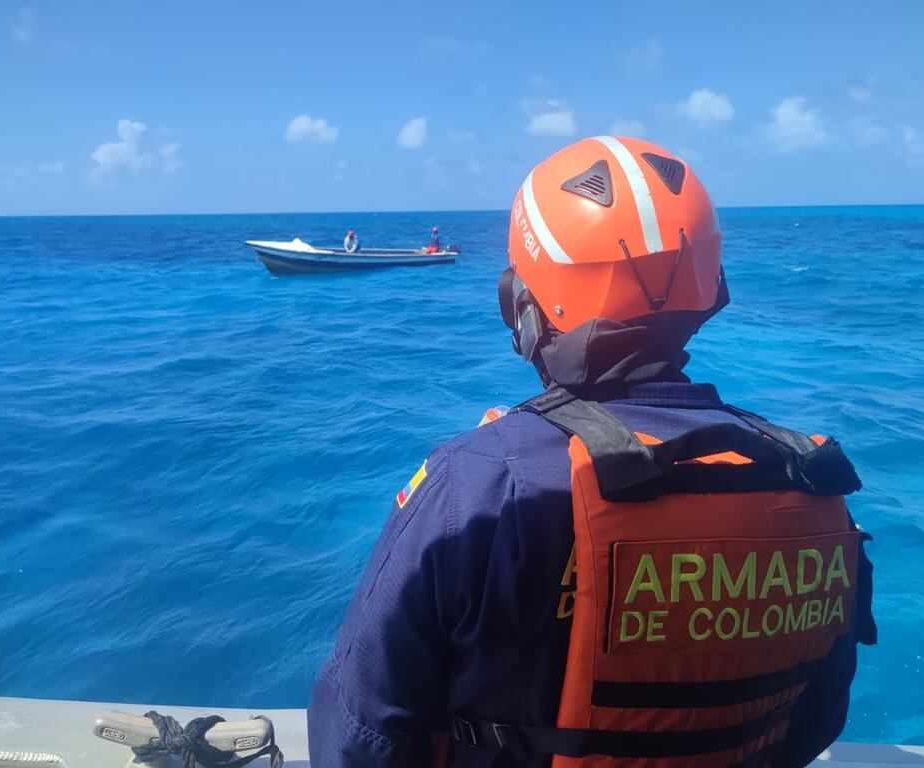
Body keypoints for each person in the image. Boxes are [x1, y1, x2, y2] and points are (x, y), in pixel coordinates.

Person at [308, 137, 877, 768]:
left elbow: (361, 733)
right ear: (712, 292)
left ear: (521, 306)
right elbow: (816, 719)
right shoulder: (811, 479)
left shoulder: (479, 488)